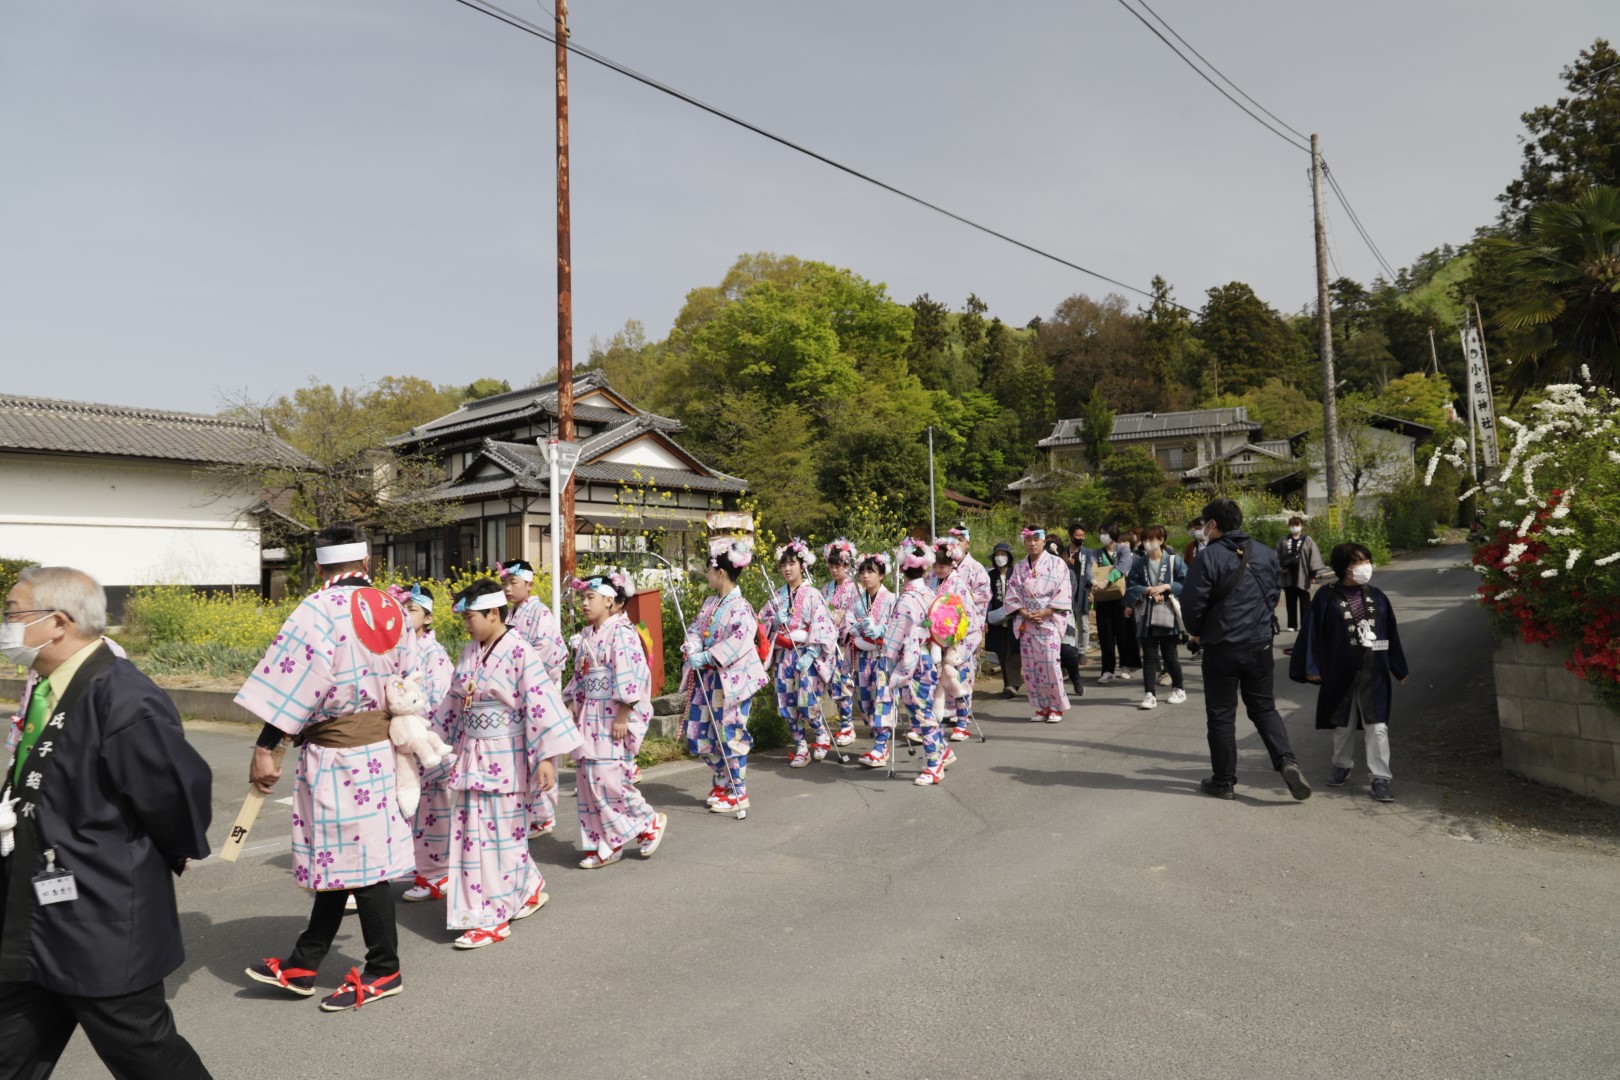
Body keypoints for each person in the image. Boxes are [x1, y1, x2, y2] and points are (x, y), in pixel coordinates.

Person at [0, 567, 214, 1078]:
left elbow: (177, 799)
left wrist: (154, 856)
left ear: (56, 623)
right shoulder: (51, 686)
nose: (6, 626)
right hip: (36, 913)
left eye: (12, 615)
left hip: (97, 916)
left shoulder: (122, 695)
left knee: (147, 1055)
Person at [238, 524, 415, 1009]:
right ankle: (306, 960)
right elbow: (414, 680)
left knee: (363, 863)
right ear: (367, 562)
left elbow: (293, 681)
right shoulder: (393, 608)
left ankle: (385, 968)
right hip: (380, 747)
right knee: (347, 856)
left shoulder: (316, 609)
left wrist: (266, 746)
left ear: (318, 566)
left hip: (338, 754)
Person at [429, 578, 582, 947]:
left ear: (493, 613)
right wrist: (430, 742)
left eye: (471, 617)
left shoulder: (519, 650)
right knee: (474, 833)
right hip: (471, 753)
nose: (466, 624)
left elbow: (540, 704)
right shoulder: (470, 651)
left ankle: (493, 915)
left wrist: (545, 757)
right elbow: (452, 702)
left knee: (497, 837)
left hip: (506, 756)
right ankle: (526, 886)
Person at [1180, 499, 1312, 802]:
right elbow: (1272, 595)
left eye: (1203, 523)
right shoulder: (1265, 552)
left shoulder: (1207, 557)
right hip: (1260, 644)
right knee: (1264, 708)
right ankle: (1286, 761)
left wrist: (1197, 633)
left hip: (1222, 646)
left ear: (1212, 524)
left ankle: (1224, 781)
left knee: (1222, 715)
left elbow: (1192, 604)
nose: (1201, 529)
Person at [1289, 543, 1408, 803]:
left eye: (1367, 561)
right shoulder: (1325, 596)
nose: (1365, 567)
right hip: (1338, 670)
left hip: (1373, 670)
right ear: (1344, 567)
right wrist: (1311, 667)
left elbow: (1390, 632)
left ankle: (1380, 777)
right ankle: (1342, 764)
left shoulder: (1377, 596)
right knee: (1341, 725)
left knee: (1377, 727)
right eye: (1358, 562)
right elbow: (1311, 633)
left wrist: (1398, 666)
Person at [565, 572, 665, 867]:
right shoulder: (588, 635)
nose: (584, 603)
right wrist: (571, 702)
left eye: (589, 597)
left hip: (612, 716)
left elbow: (630, 674)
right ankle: (605, 842)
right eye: (582, 597)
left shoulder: (622, 632)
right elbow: (579, 676)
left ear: (610, 601)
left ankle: (648, 822)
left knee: (610, 779)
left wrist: (624, 714)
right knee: (588, 779)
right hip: (590, 715)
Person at [682, 541, 768, 814]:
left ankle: (739, 792)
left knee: (731, 734)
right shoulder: (710, 602)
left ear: (721, 573)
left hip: (732, 682)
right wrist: (693, 645)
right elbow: (695, 628)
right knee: (696, 734)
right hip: (708, 679)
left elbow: (739, 642)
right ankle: (723, 779)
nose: (705, 574)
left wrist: (707, 656)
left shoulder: (741, 607)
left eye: (709, 569)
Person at [500, 560, 569, 840]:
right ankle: (532, 813)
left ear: (529, 584)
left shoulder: (539, 612)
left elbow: (549, 650)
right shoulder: (510, 614)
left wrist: (516, 669)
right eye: (504, 583)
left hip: (536, 691)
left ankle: (543, 815)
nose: (507, 588)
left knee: (540, 752)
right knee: (523, 755)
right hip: (517, 692)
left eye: (513, 583)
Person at [398, 584, 456, 903]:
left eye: (412, 610)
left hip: (427, 737)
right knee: (413, 809)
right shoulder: (401, 648)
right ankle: (421, 867)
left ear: (429, 617)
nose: (406, 616)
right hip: (407, 739)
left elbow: (439, 700)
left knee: (433, 809)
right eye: (402, 609)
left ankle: (438, 872)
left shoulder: (434, 653)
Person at [874, 540, 951, 784]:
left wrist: (886, 656)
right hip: (927, 656)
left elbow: (895, 637)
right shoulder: (930, 593)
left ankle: (933, 764)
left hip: (912, 661)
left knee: (921, 713)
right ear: (925, 568)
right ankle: (943, 750)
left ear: (902, 570)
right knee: (924, 708)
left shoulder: (907, 600)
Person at [758, 538, 838, 768]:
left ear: (802, 566)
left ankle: (821, 733)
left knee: (807, 700)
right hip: (784, 655)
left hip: (805, 654)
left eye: (792, 563)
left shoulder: (812, 594)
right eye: (783, 565)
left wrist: (812, 654)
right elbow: (761, 622)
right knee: (787, 700)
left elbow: (823, 626)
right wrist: (774, 621)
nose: (787, 568)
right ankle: (800, 746)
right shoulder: (777, 595)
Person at [1003, 526, 1073, 723]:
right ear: (1024, 543)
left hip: (1048, 618)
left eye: (1036, 539)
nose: (1032, 543)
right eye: (1028, 540)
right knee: (1031, 666)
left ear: (1043, 541)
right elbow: (1013, 594)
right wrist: (1024, 612)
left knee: (1050, 663)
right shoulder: (1019, 567)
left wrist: (1047, 611)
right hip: (1027, 620)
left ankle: (1056, 707)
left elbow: (1063, 590)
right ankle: (1041, 707)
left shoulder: (1057, 564)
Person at [930, 530, 991, 742]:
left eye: (943, 566)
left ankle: (962, 722)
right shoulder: (932, 581)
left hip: (958, 637)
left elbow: (968, 614)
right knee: (938, 679)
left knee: (960, 679)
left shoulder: (959, 583)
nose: (939, 570)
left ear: (952, 565)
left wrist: (954, 634)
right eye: (936, 566)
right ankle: (936, 718)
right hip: (936, 638)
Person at [1124, 525, 1187, 710]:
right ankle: (1149, 693)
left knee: (1170, 656)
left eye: (1152, 539)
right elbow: (1130, 586)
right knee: (1150, 657)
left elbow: (1186, 582)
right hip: (1146, 613)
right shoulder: (1139, 563)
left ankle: (1179, 688)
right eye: (1145, 539)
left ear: (1161, 540)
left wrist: (1166, 587)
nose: (1148, 543)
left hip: (1168, 611)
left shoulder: (1175, 561)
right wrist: (1148, 590)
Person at [850, 552, 897, 768]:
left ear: (881, 575)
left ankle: (880, 746)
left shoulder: (891, 599)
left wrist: (881, 629)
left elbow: (897, 625)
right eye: (863, 571)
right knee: (864, 700)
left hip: (882, 656)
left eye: (871, 571)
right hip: (862, 657)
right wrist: (858, 627)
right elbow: (847, 625)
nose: (866, 576)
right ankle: (877, 738)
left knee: (882, 699)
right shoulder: (857, 601)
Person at [820, 539, 860, 748]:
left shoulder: (854, 589)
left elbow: (857, 614)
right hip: (828, 643)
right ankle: (844, 723)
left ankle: (847, 724)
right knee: (832, 683)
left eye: (840, 566)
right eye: (832, 565)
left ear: (848, 565)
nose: (835, 570)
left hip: (845, 643)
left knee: (844, 683)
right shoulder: (826, 588)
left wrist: (842, 621)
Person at [1093, 522, 1140, 684]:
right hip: (1103, 597)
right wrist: (1093, 581)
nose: (1103, 535)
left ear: (1113, 533)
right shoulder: (1097, 552)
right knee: (1105, 635)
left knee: (1123, 633)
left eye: (1105, 532)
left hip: (1122, 597)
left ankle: (1126, 665)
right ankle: (1107, 670)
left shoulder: (1123, 550)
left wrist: (1107, 580)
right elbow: (1089, 569)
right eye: (1101, 532)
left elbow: (1122, 567)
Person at [1276, 516, 1326, 633]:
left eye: (1297, 525)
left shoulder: (1308, 540)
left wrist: (1312, 575)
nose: (1294, 527)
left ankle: (1305, 623)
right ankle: (1292, 624)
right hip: (1288, 576)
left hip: (1303, 575)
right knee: (1290, 601)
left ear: (1302, 526)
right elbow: (1276, 556)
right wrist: (1281, 568)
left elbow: (1313, 558)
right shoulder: (1283, 541)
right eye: (1292, 525)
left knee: (1305, 602)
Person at [984, 542, 1021, 695]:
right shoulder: (990, 575)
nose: (1000, 558)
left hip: (1015, 617)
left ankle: (1013, 684)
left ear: (1009, 556)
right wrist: (986, 617)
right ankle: (1007, 683)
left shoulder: (1016, 572)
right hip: (996, 618)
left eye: (1003, 554)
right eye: (997, 555)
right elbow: (987, 598)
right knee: (1001, 650)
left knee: (1013, 650)